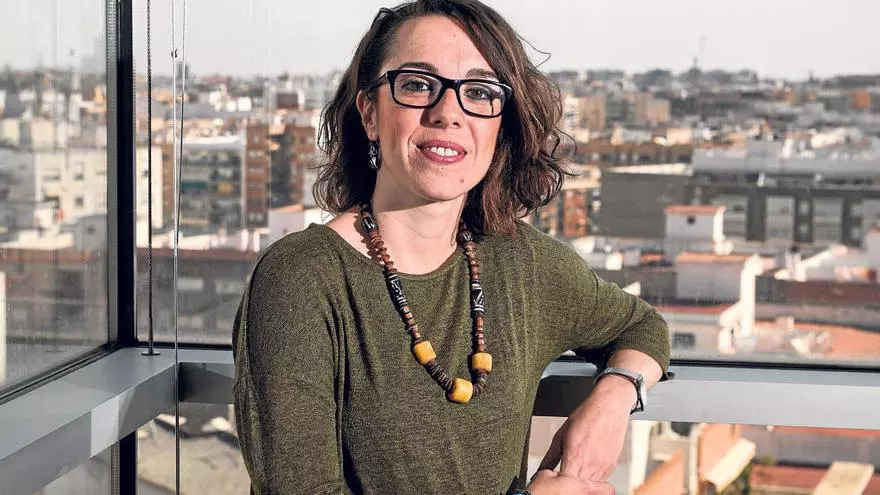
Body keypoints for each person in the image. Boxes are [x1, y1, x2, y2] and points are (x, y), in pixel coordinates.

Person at [232, 1, 670, 494]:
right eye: (418, 85)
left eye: (479, 92)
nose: (448, 113)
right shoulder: (301, 278)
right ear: (370, 112)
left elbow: (641, 326)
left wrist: (614, 398)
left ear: (501, 125)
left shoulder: (520, 262)